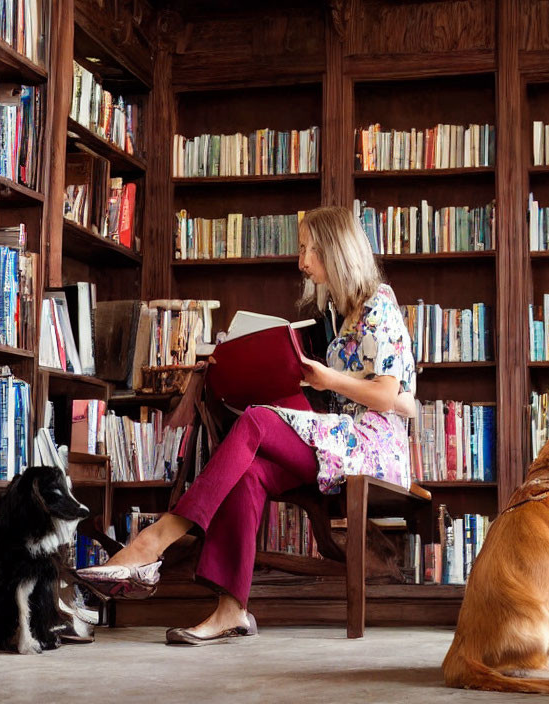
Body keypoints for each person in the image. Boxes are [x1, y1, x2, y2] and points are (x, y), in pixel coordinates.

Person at [76, 206, 417, 645]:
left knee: (258, 420)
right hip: (341, 440)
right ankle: (231, 609)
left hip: (375, 447)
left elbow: (389, 396)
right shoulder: (343, 316)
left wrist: (323, 376)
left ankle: (152, 542)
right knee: (248, 473)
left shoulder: (378, 305)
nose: (301, 262)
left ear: (335, 250)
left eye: (307, 249)